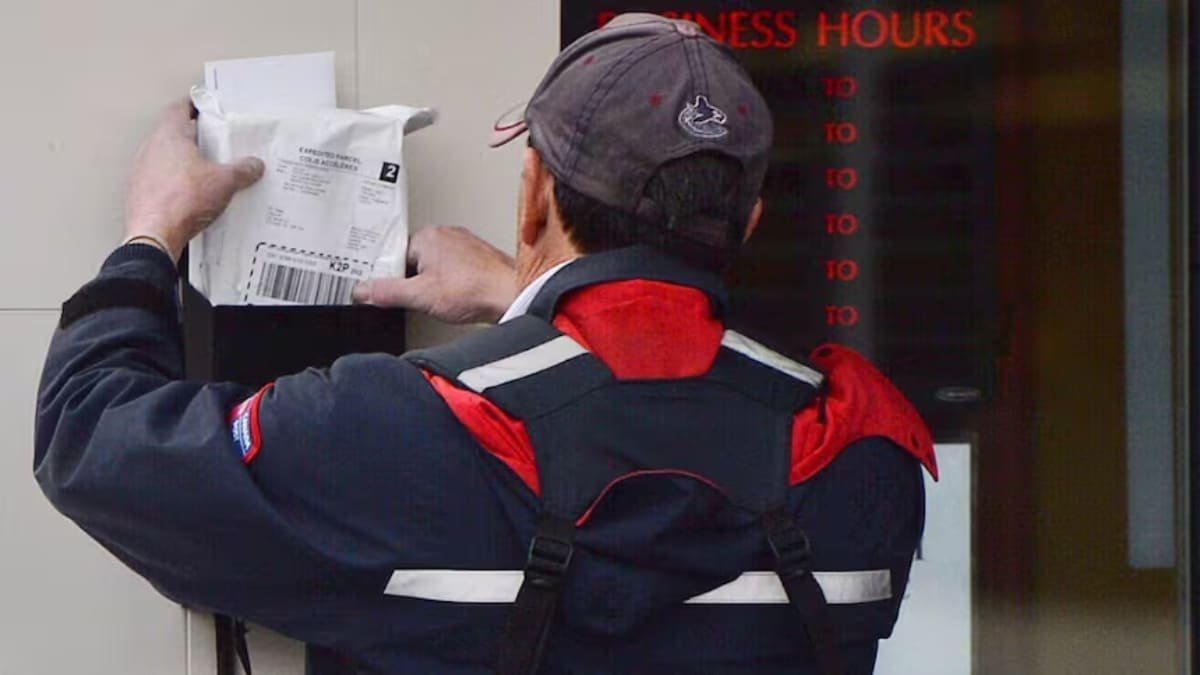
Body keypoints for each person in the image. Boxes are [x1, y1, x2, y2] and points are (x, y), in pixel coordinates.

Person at [35, 13, 936, 675]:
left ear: (532, 192)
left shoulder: (396, 435)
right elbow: (668, 443)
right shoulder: (867, 464)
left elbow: (92, 436)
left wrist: (151, 231)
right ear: (748, 223)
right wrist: (528, 299)